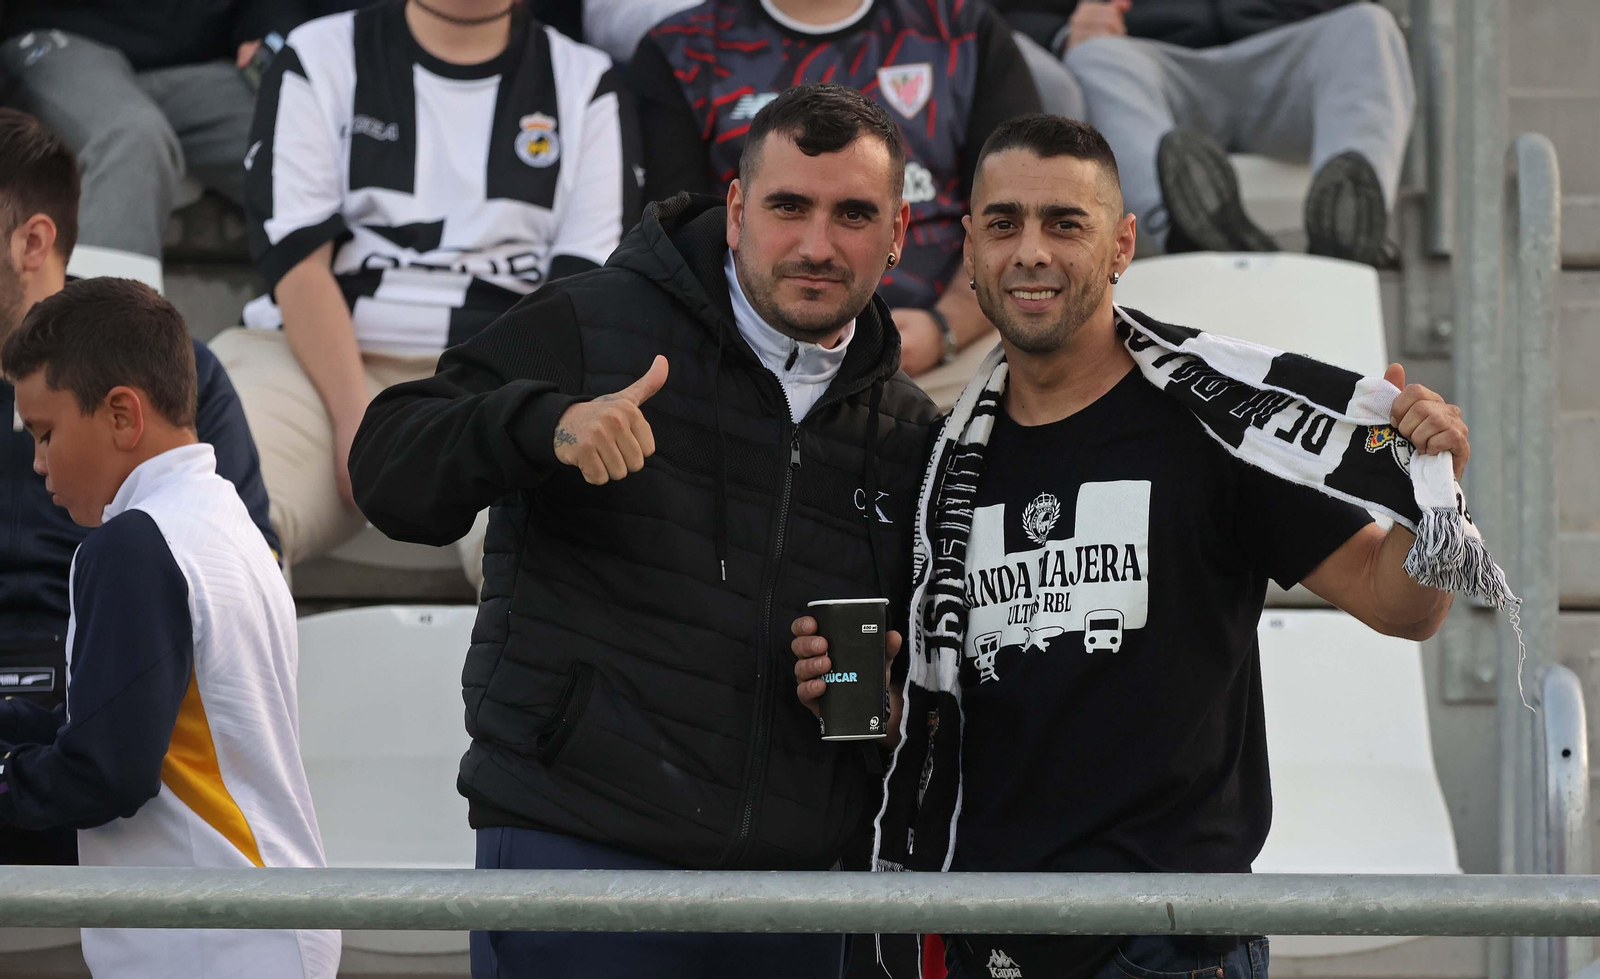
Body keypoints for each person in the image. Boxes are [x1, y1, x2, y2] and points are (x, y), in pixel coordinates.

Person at [792, 115, 1474, 978]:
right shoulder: (937, 463)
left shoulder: (1216, 422)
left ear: (1122, 246)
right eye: (1003, 224)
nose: (1030, 251)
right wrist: (862, 698)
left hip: (1171, 944)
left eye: (1064, 224)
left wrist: (1429, 498)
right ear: (968, 248)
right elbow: (934, 715)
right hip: (989, 940)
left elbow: (1401, 604)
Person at [348, 84, 939, 979]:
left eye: (853, 213)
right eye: (789, 206)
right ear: (737, 210)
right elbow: (388, 470)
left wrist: (880, 713)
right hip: (580, 861)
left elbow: (905, 704)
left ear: (898, 234)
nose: (818, 244)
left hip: (804, 901)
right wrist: (541, 426)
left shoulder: (908, 430)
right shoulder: (594, 322)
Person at [210, 0, 640, 584]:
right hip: (318, 366)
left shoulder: (588, 83)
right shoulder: (318, 55)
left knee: (557, 551)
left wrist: (509, 415)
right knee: (214, 527)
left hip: (503, 375)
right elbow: (298, 266)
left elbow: (578, 297)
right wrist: (357, 423)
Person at [0, 277, 339, 979]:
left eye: (45, 432)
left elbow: (108, 773)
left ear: (123, 415)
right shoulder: (225, 519)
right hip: (257, 920)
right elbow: (116, 730)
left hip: (213, 938)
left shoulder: (131, 544)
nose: (38, 463)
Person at [0, 108, 278, 868]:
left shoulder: (165, 384)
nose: (37, 462)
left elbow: (113, 758)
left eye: (46, 435)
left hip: (97, 734)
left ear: (34, 240)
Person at [629, 0, 1043, 410]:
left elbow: (1020, 212)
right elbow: (681, 237)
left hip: (954, 352)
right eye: (788, 205)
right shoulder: (682, 49)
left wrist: (946, 326)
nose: (818, 244)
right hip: (749, 357)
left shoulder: (962, 29)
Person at [995, 0, 1414, 264]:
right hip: (1146, 56)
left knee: (1368, 25)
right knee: (1095, 58)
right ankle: (1185, 228)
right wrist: (1065, 28)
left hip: (1288, 48)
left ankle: (1353, 224)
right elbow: (995, 18)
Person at [0, 0, 311, 260]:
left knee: (313, 137)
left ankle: (344, 320)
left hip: (202, 64)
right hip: (60, 36)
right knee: (132, 138)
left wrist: (275, 35)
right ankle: (100, 330)